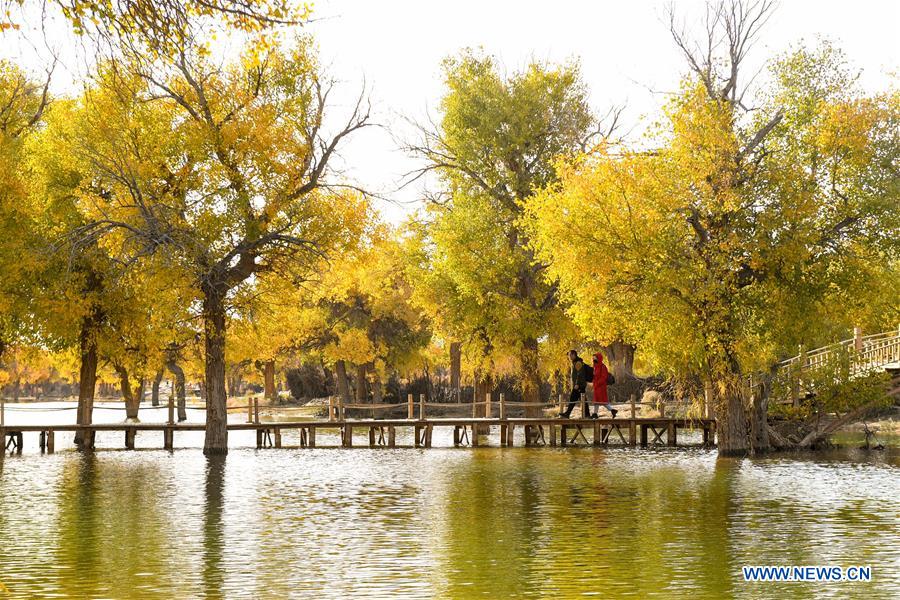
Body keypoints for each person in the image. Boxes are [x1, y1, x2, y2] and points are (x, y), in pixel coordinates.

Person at [560, 350, 589, 418]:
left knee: (575, 398)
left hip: (579, 385)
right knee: (580, 399)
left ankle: (568, 413)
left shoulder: (578, 363)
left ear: (574, 355)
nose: (569, 357)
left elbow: (580, 374)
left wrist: (577, 384)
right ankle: (587, 414)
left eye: (570, 355)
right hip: (579, 385)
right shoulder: (575, 362)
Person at [591, 352, 617, 418]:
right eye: (593, 358)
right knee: (597, 400)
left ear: (598, 358)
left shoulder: (603, 367)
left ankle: (611, 410)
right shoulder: (595, 367)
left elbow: (604, 377)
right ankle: (595, 413)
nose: (594, 359)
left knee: (602, 400)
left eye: (595, 357)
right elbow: (594, 376)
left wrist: (597, 383)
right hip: (596, 386)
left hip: (601, 386)